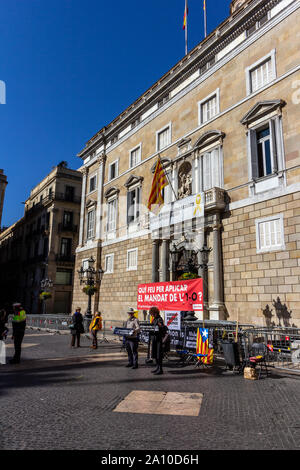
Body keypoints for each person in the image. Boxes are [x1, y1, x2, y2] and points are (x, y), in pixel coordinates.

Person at [149, 306, 167, 375]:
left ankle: (160, 369)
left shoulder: (159, 319)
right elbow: (151, 327)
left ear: (155, 313)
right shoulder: (154, 319)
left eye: (152, 314)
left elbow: (161, 327)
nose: (152, 315)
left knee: (159, 354)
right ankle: (157, 367)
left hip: (159, 339)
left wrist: (159, 325)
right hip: (154, 338)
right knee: (155, 354)